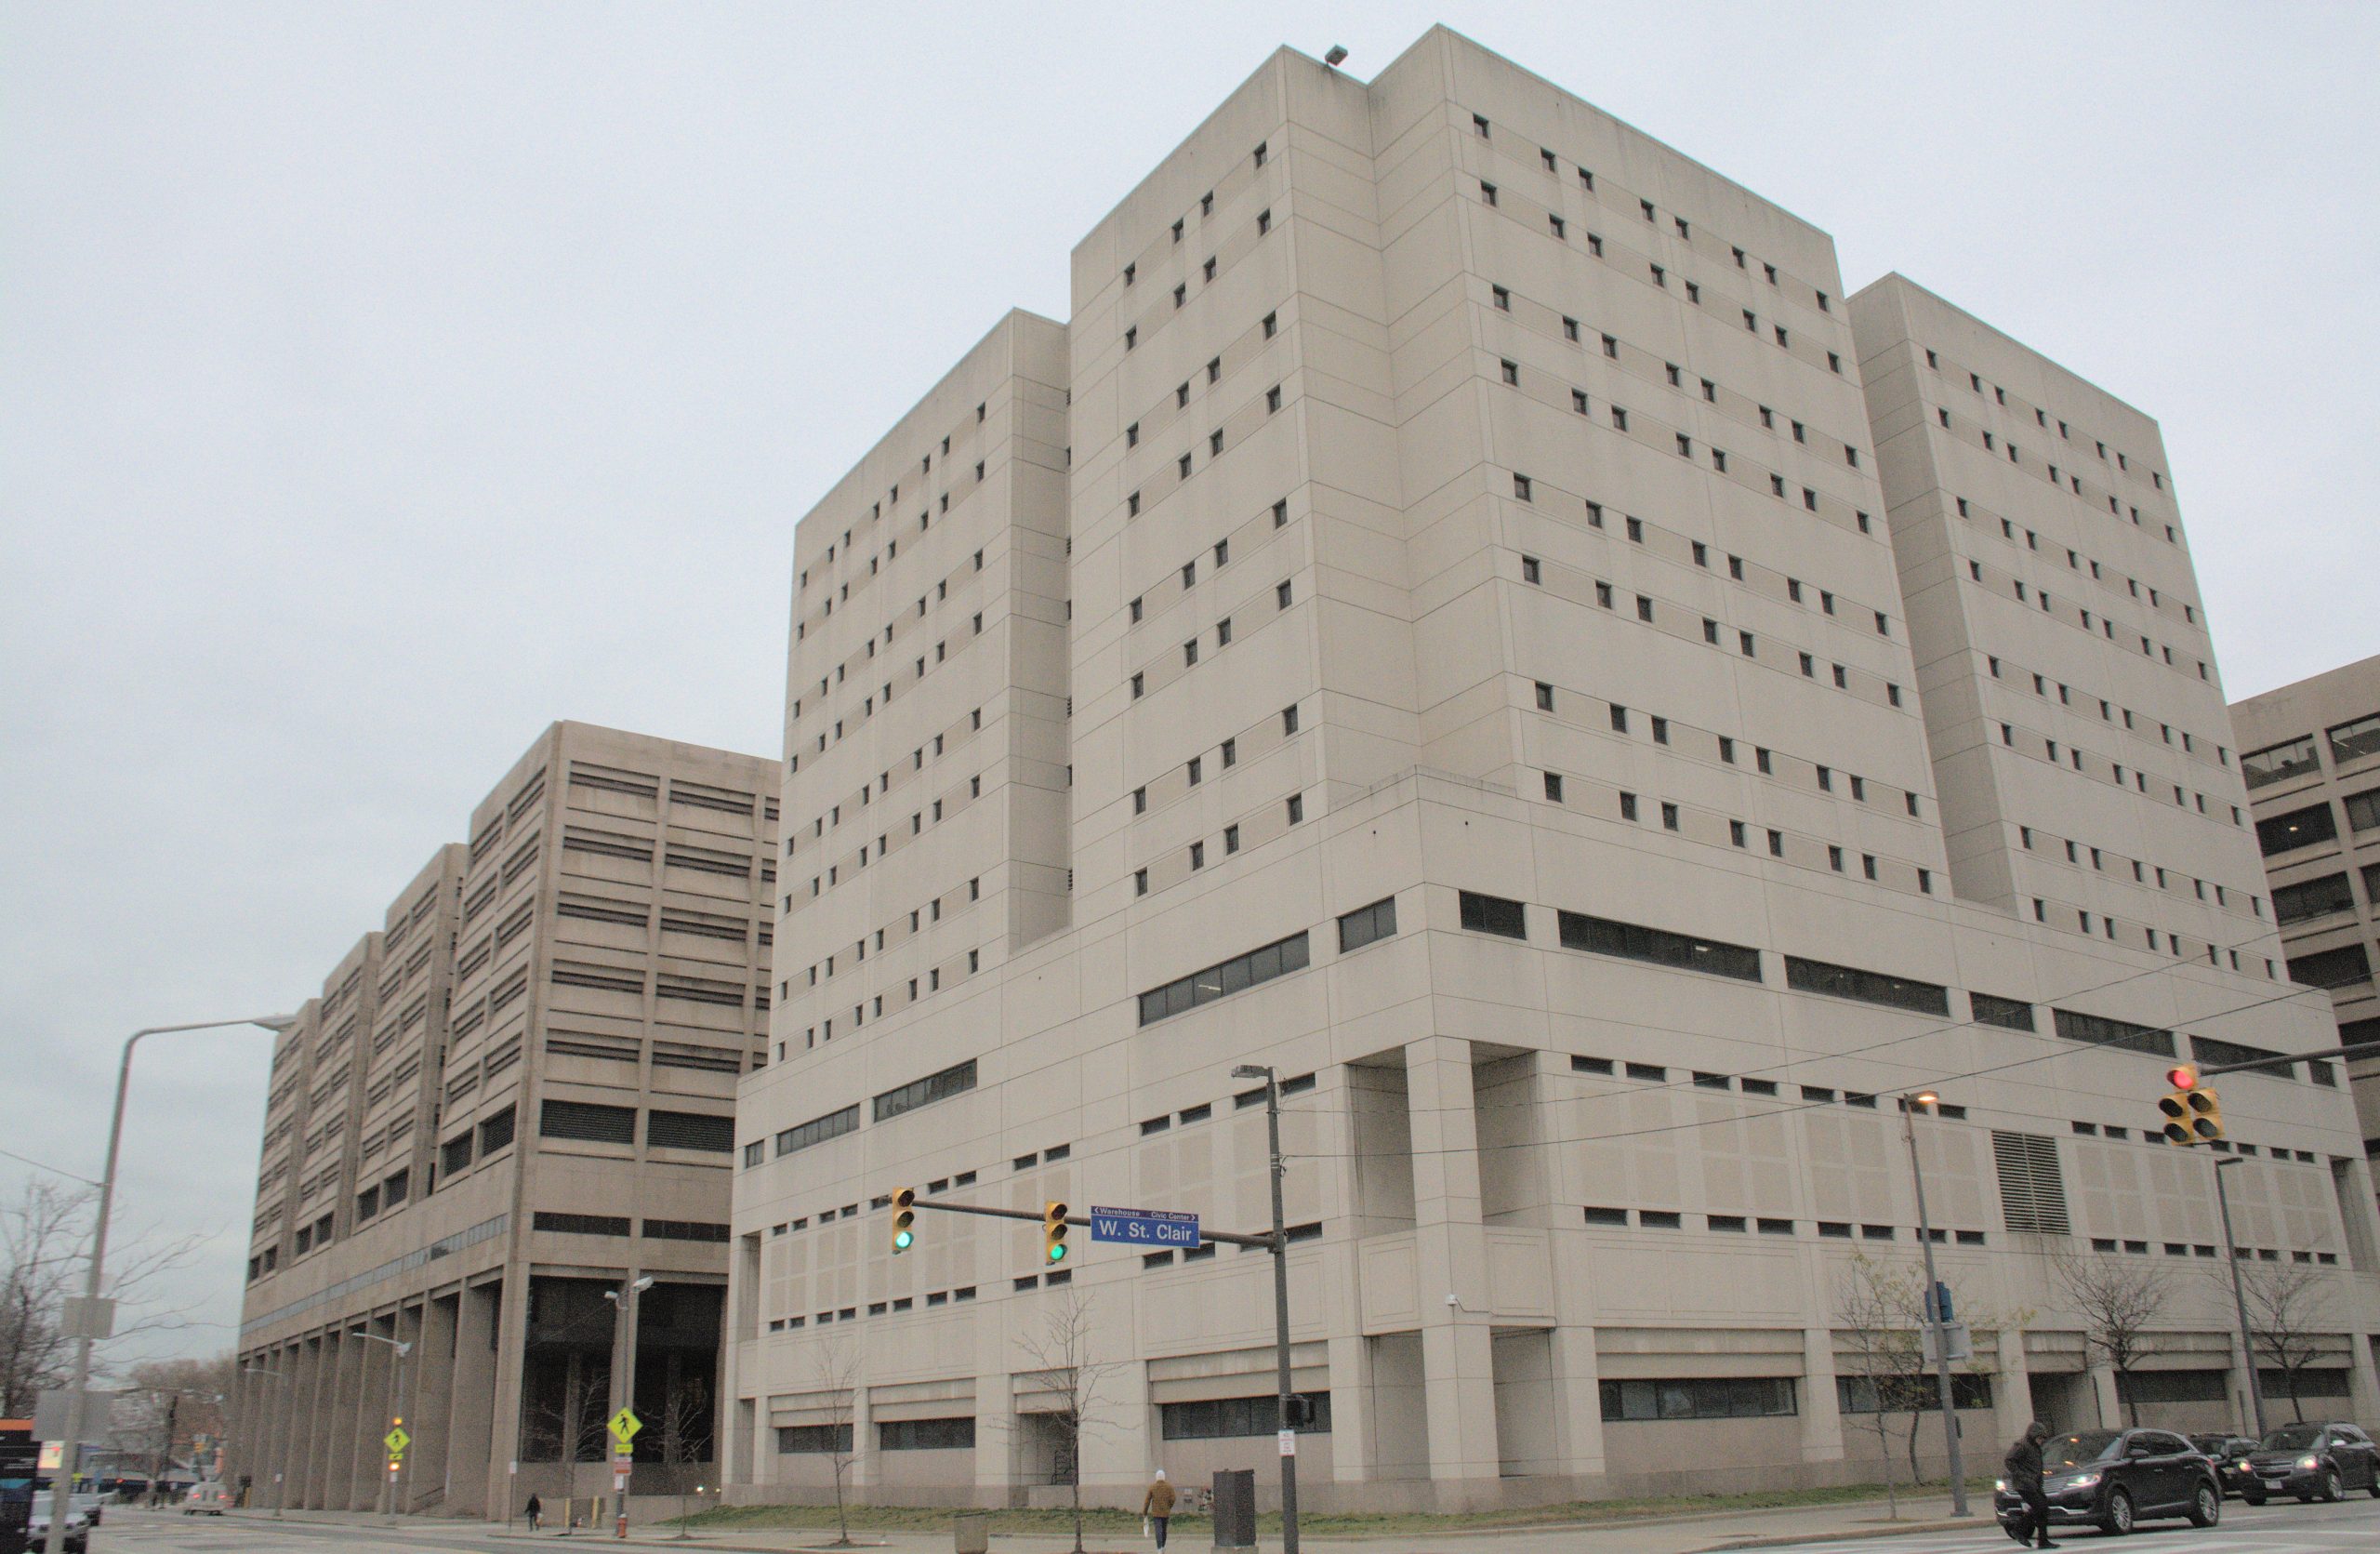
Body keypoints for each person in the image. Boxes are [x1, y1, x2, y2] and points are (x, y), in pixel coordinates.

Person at [2003, 1421, 2055, 1549]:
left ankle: (2043, 1540)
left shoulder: (2035, 1447)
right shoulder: (2022, 1445)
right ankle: (2019, 1530)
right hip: (2024, 1484)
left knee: (2043, 1509)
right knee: (2040, 1507)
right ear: (2033, 1435)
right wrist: (2022, 1476)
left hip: (2034, 1484)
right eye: (2040, 1437)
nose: (2041, 1440)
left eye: (2043, 1438)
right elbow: (2009, 1460)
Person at [1142, 1469, 1175, 1550]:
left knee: (1158, 1530)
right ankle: (1163, 1546)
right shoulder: (1169, 1487)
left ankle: (1159, 1548)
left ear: (1156, 1477)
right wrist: (1169, 1506)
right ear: (1164, 1477)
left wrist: (1145, 1512)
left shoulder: (1152, 1487)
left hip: (1156, 1513)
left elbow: (1147, 1500)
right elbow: (1173, 1499)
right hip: (1166, 1512)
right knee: (1164, 1530)